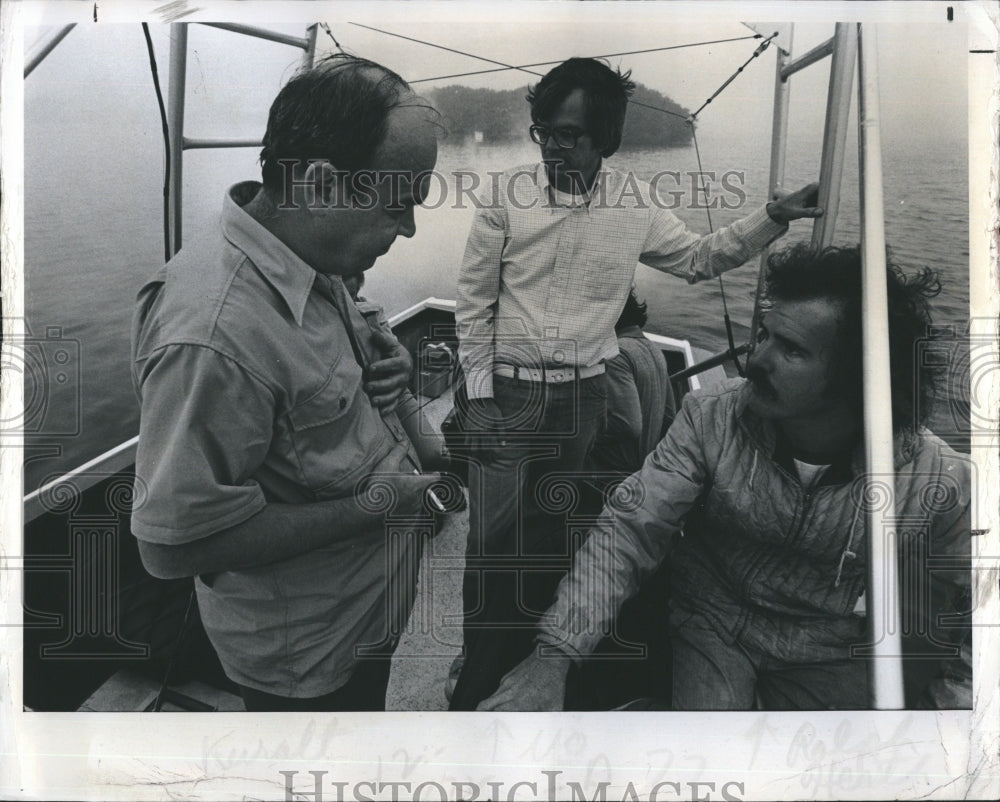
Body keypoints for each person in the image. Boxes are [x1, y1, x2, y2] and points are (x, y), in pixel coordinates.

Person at [450, 56, 823, 709]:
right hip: (506, 398)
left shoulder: (634, 203)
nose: (552, 148)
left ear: (605, 140)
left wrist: (774, 216)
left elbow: (700, 259)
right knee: (492, 546)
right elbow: (473, 304)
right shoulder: (506, 194)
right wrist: (479, 396)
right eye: (543, 131)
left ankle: (525, 663)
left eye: (568, 135)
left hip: (585, 395)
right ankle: (474, 666)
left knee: (551, 539)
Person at [478, 243, 972, 711]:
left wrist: (943, 727)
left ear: (856, 378)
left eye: (791, 350)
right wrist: (554, 657)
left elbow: (963, 623)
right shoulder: (710, 417)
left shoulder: (936, 481)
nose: (755, 360)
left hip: (824, 645)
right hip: (709, 620)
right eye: (764, 335)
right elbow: (630, 530)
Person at [130, 54, 442, 711]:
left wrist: (385, 367)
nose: (410, 226)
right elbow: (169, 547)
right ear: (324, 185)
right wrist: (372, 506)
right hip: (312, 658)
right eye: (399, 202)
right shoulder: (215, 334)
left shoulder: (305, 249)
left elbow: (316, 370)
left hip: (371, 607)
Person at [344, 271, 450, 473]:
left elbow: (394, 357)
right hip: (363, 407)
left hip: (396, 395)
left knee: (436, 455)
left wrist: (403, 361)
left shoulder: (371, 312)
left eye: (351, 293)